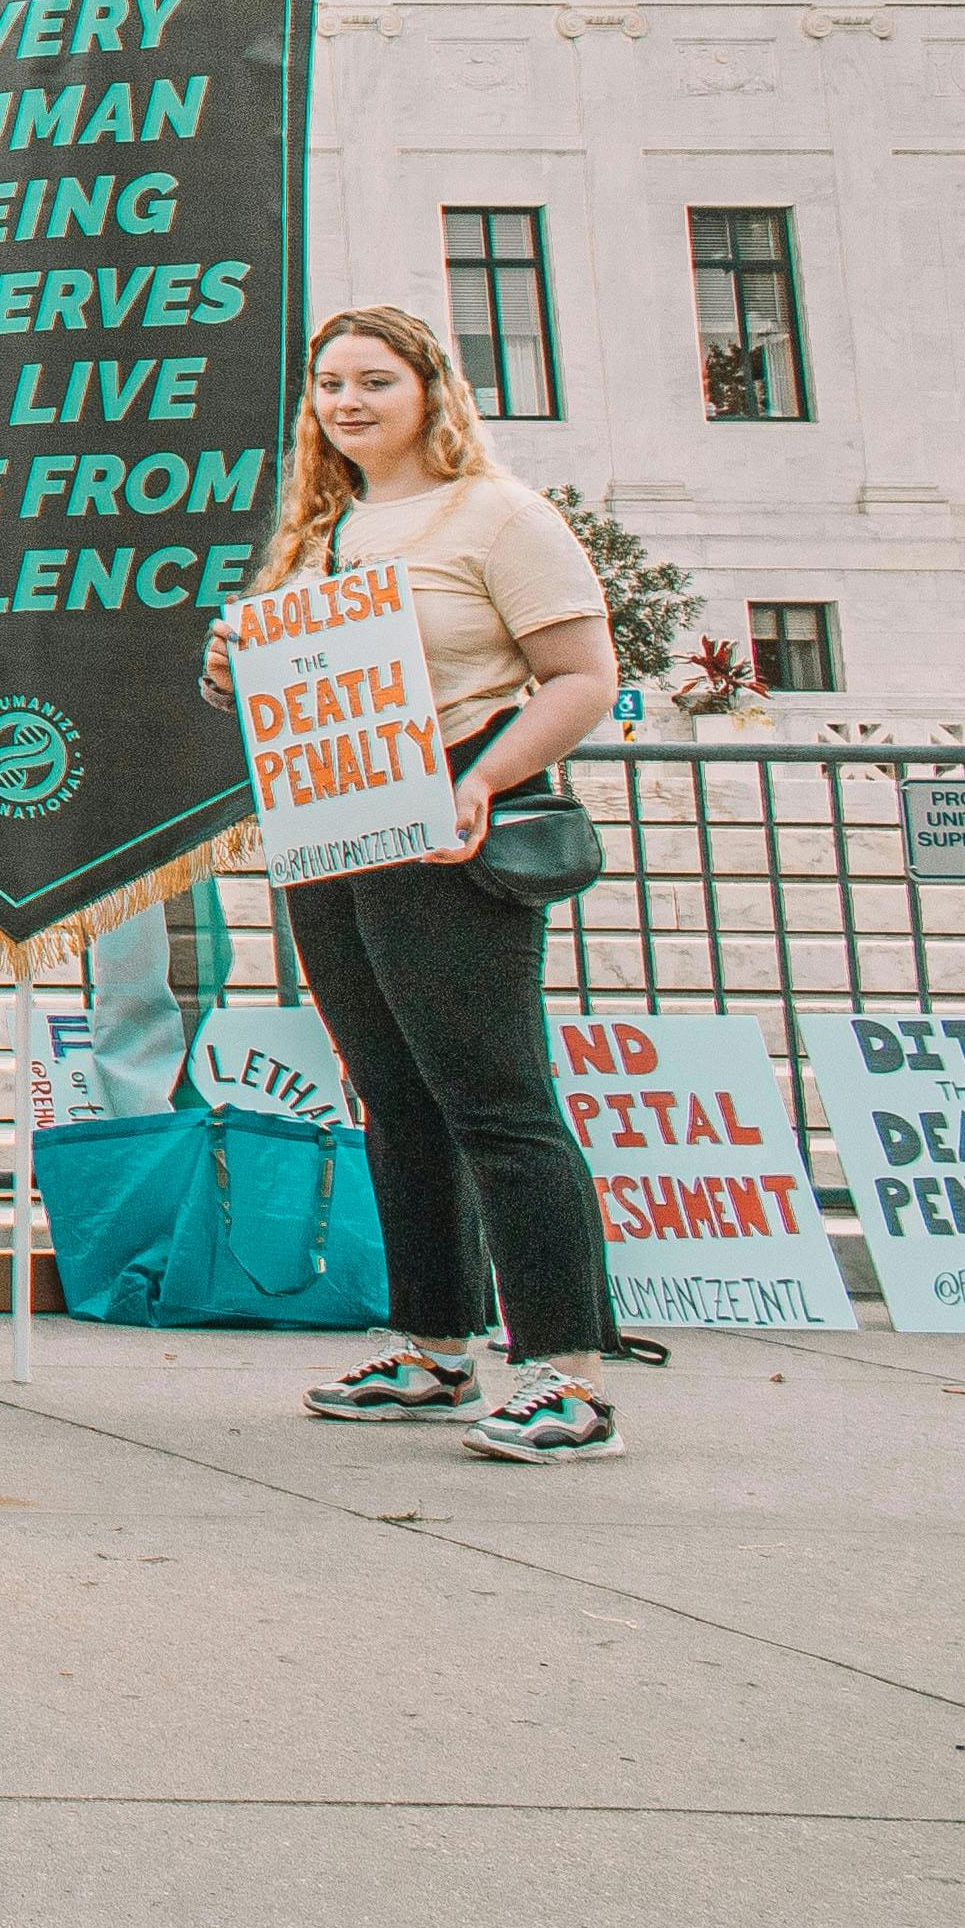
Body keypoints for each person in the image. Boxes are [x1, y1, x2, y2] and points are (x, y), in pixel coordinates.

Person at [246, 303, 631, 1466]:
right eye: (328, 385)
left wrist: (488, 779)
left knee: (497, 1099)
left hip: (454, 815)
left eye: (373, 381)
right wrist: (236, 668)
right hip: (335, 821)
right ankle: (434, 1345)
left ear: (430, 391)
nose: (348, 403)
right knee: (395, 1097)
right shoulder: (320, 530)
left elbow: (581, 675)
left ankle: (568, 1373)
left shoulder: (498, 514)